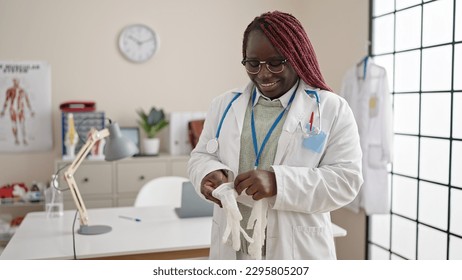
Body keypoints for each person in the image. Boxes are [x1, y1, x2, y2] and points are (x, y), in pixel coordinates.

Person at [188, 11, 363, 260]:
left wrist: (279, 183)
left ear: (297, 58)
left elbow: (346, 181)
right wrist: (207, 173)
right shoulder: (223, 105)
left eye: (275, 62)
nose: (264, 74)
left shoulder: (331, 109)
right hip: (234, 249)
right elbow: (201, 156)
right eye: (253, 63)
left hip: (294, 252)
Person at [0, 78, 35, 145]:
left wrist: (31, 111)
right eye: (15, 81)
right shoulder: (9, 90)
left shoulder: (22, 90)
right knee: (14, 125)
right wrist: (3, 111)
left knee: (22, 125)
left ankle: (24, 139)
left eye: (17, 81)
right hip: (13, 109)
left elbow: (27, 101)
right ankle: (16, 139)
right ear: (13, 82)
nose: (16, 83)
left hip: (20, 109)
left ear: (19, 82)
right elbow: (6, 101)